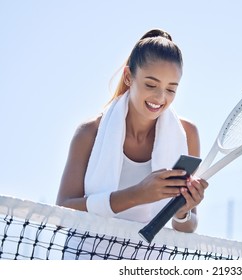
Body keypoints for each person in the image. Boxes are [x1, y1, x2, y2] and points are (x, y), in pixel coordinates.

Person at [56, 28, 208, 243]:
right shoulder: (89, 132)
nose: (160, 97)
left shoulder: (188, 134)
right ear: (128, 77)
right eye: (151, 84)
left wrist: (182, 211)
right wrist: (138, 194)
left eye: (171, 89)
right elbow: (62, 212)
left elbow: (187, 226)